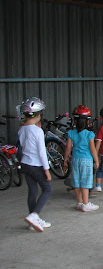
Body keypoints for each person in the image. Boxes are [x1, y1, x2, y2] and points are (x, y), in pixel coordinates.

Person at [17, 97, 52, 232]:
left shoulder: (21, 129)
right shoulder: (37, 131)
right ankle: (34, 215)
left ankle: (33, 221)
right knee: (47, 189)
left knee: (32, 191)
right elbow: (42, 153)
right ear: (38, 115)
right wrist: (47, 170)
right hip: (36, 164)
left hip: (25, 164)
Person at [63, 105, 99, 212]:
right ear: (88, 122)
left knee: (77, 182)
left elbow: (68, 147)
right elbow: (92, 149)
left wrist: (65, 158)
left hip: (75, 160)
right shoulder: (90, 134)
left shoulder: (71, 133)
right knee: (85, 183)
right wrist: (96, 160)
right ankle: (86, 203)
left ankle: (79, 203)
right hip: (86, 161)